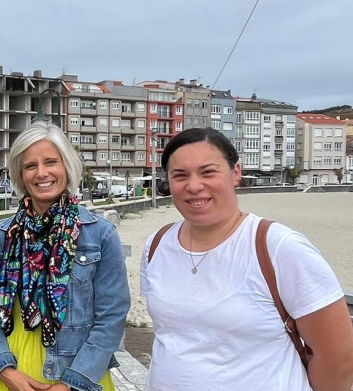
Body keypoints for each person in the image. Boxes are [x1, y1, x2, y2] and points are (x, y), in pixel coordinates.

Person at [140, 128, 353, 390]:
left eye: (208, 172)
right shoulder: (157, 244)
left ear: (236, 173)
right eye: (180, 176)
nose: (194, 186)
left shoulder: (279, 247)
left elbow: (338, 358)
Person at [0, 121, 129, 391]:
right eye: (30, 166)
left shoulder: (100, 235)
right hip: (10, 373)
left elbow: (111, 317)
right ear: (20, 174)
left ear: (67, 167)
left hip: (78, 375)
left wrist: (72, 384)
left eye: (50, 162)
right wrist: (6, 370)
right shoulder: (1, 235)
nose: (41, 173)